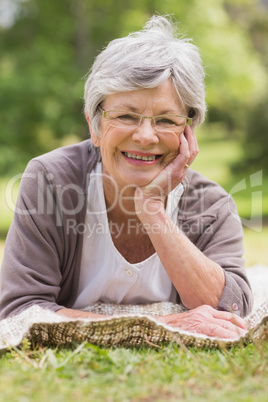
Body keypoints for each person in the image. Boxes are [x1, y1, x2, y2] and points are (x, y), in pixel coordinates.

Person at [0, 15, 252, 339]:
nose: (146, 136)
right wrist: (159, 326)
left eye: (166, 120)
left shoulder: (213, 204)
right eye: (126, 116)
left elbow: (231, 311)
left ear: (188, 131)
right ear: (95, 125)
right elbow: (20, 309)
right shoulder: (51, 181)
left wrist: (151, 209)